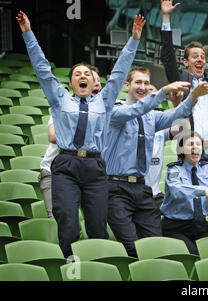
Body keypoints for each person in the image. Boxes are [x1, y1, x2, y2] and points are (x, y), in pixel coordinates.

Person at [17, 11, 146, 258]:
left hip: (95, 166)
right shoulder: (60, 98)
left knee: (98, 224)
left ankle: (97, 266)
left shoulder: (104, 101)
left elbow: (119, 72)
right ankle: (71, 266)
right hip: (65, 164)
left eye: (87, 73)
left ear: (92, 80)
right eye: (77, 74)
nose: (83, 76)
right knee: (68, 222)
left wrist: (134, 39)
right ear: (71, 82)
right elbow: (43, 68)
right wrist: (28, 33)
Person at [103, 65, 208, 257]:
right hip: (116, 189)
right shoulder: (116, 111)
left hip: (142, 189)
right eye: (138, 82)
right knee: (132, 247)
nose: (143, 87)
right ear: (127, 85)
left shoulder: (151, 116)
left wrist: (193, 97)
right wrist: (163, 92)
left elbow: (175, 117)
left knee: (156, 246)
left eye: (146, 83)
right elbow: (135, 111)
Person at [159, 0, 208, 168]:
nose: (200, 59)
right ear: (185, 62)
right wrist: (165, 17)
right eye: (194, 56)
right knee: (194, 192)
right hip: (189, 149)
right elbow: (167, 56)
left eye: (202, 56)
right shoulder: (180, 79)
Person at [38, 67, 103, 219]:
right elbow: (53, 136)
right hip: (54, 171)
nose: (96, 84)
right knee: (61, 220)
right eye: (87, 78)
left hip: (86, 171)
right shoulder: (65, 107)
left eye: (98, 81)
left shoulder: (101, 111)